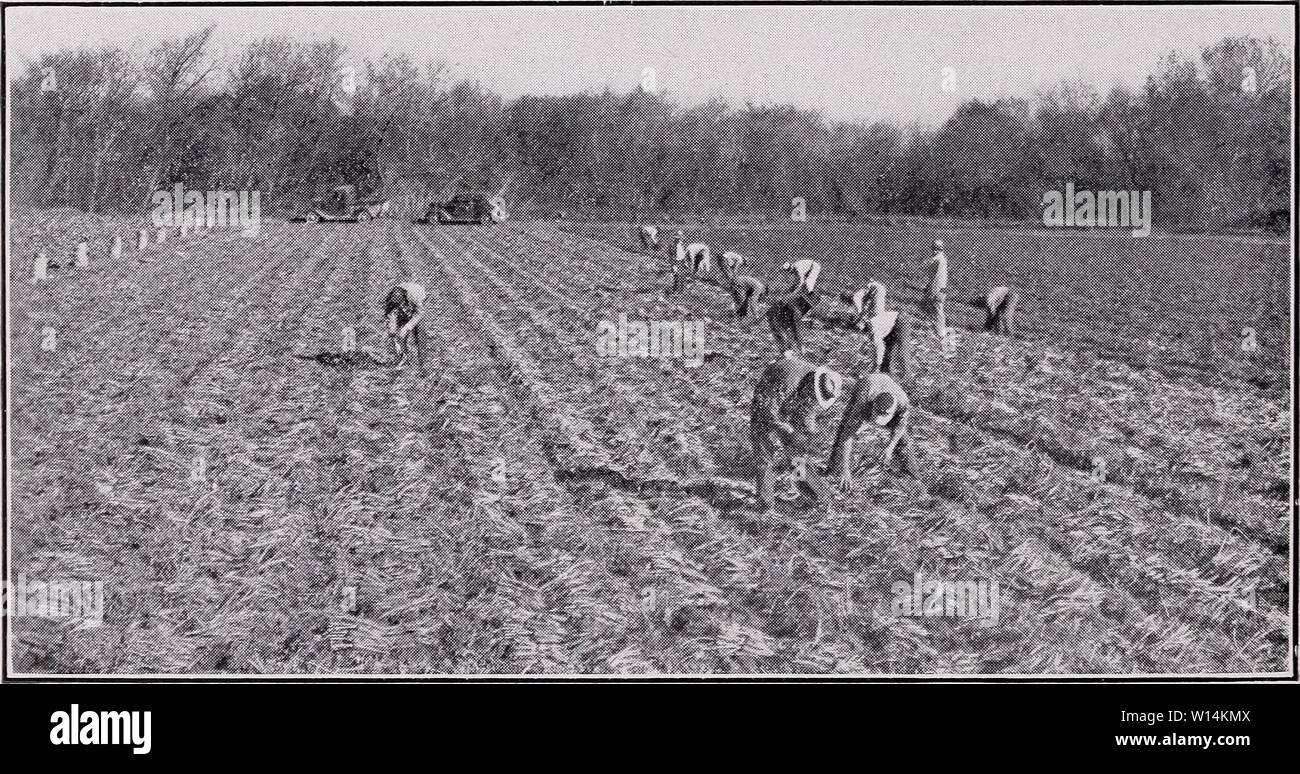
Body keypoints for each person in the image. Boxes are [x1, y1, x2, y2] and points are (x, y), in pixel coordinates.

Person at [750, 354, 844, 511]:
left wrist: (803, 438)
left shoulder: (822, 387)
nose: (815, 399)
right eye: (814, 395)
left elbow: (808, 415)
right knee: (764, 454)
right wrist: (786, 428)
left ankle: (814, 494)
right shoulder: (786, 383)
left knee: (798, 456)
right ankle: (765, 507)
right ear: (812, 384)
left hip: (792, 396)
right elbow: (768, 410)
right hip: (769, 393)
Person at [825, 371, 923, 492]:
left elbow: (900, 427)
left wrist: (890, 447)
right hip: (867, 384)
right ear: (873, 407)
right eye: (875, 415)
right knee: (845, 427)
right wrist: (845, 469)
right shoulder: (863, 399)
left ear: (892, 413)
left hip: (885, 387)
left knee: (904, 439)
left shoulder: (903, 403)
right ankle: (834, 469)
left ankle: (913, 477)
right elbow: (847, 435)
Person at [765, 259, 823, 355]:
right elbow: (797, 282)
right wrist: (792, 289)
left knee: (808, 285)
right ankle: (798, 349)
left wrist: (794, 292)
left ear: (791, 268)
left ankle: (809, 295)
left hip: (814, 266)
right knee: (793, 327)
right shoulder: (795, 270)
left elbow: (801, 281)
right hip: (793, 311)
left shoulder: (797, 268)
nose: (790, 272)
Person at [384, 281, 426, 368]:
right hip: (405, 304)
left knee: (419, 335)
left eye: (400, 305)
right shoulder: (390, 300)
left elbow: (420, 313)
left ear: (404, 299)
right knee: (399, 335)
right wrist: (394, 337)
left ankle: (423, 365)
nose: (399, 307)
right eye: (396, 306)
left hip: (417, 308)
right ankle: (403, 358)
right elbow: (390, 317)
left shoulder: (415, 295)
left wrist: (407, 327)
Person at [925, 239, 949, 345]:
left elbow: (936, 277)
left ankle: (940, 332)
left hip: (937, 288)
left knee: (938, 309)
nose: (934, 250)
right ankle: (938, 330)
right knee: (937, 309)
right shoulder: (941, 258)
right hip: (941, 287)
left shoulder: (938, 259)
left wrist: (931, 289)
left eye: (936, 248)